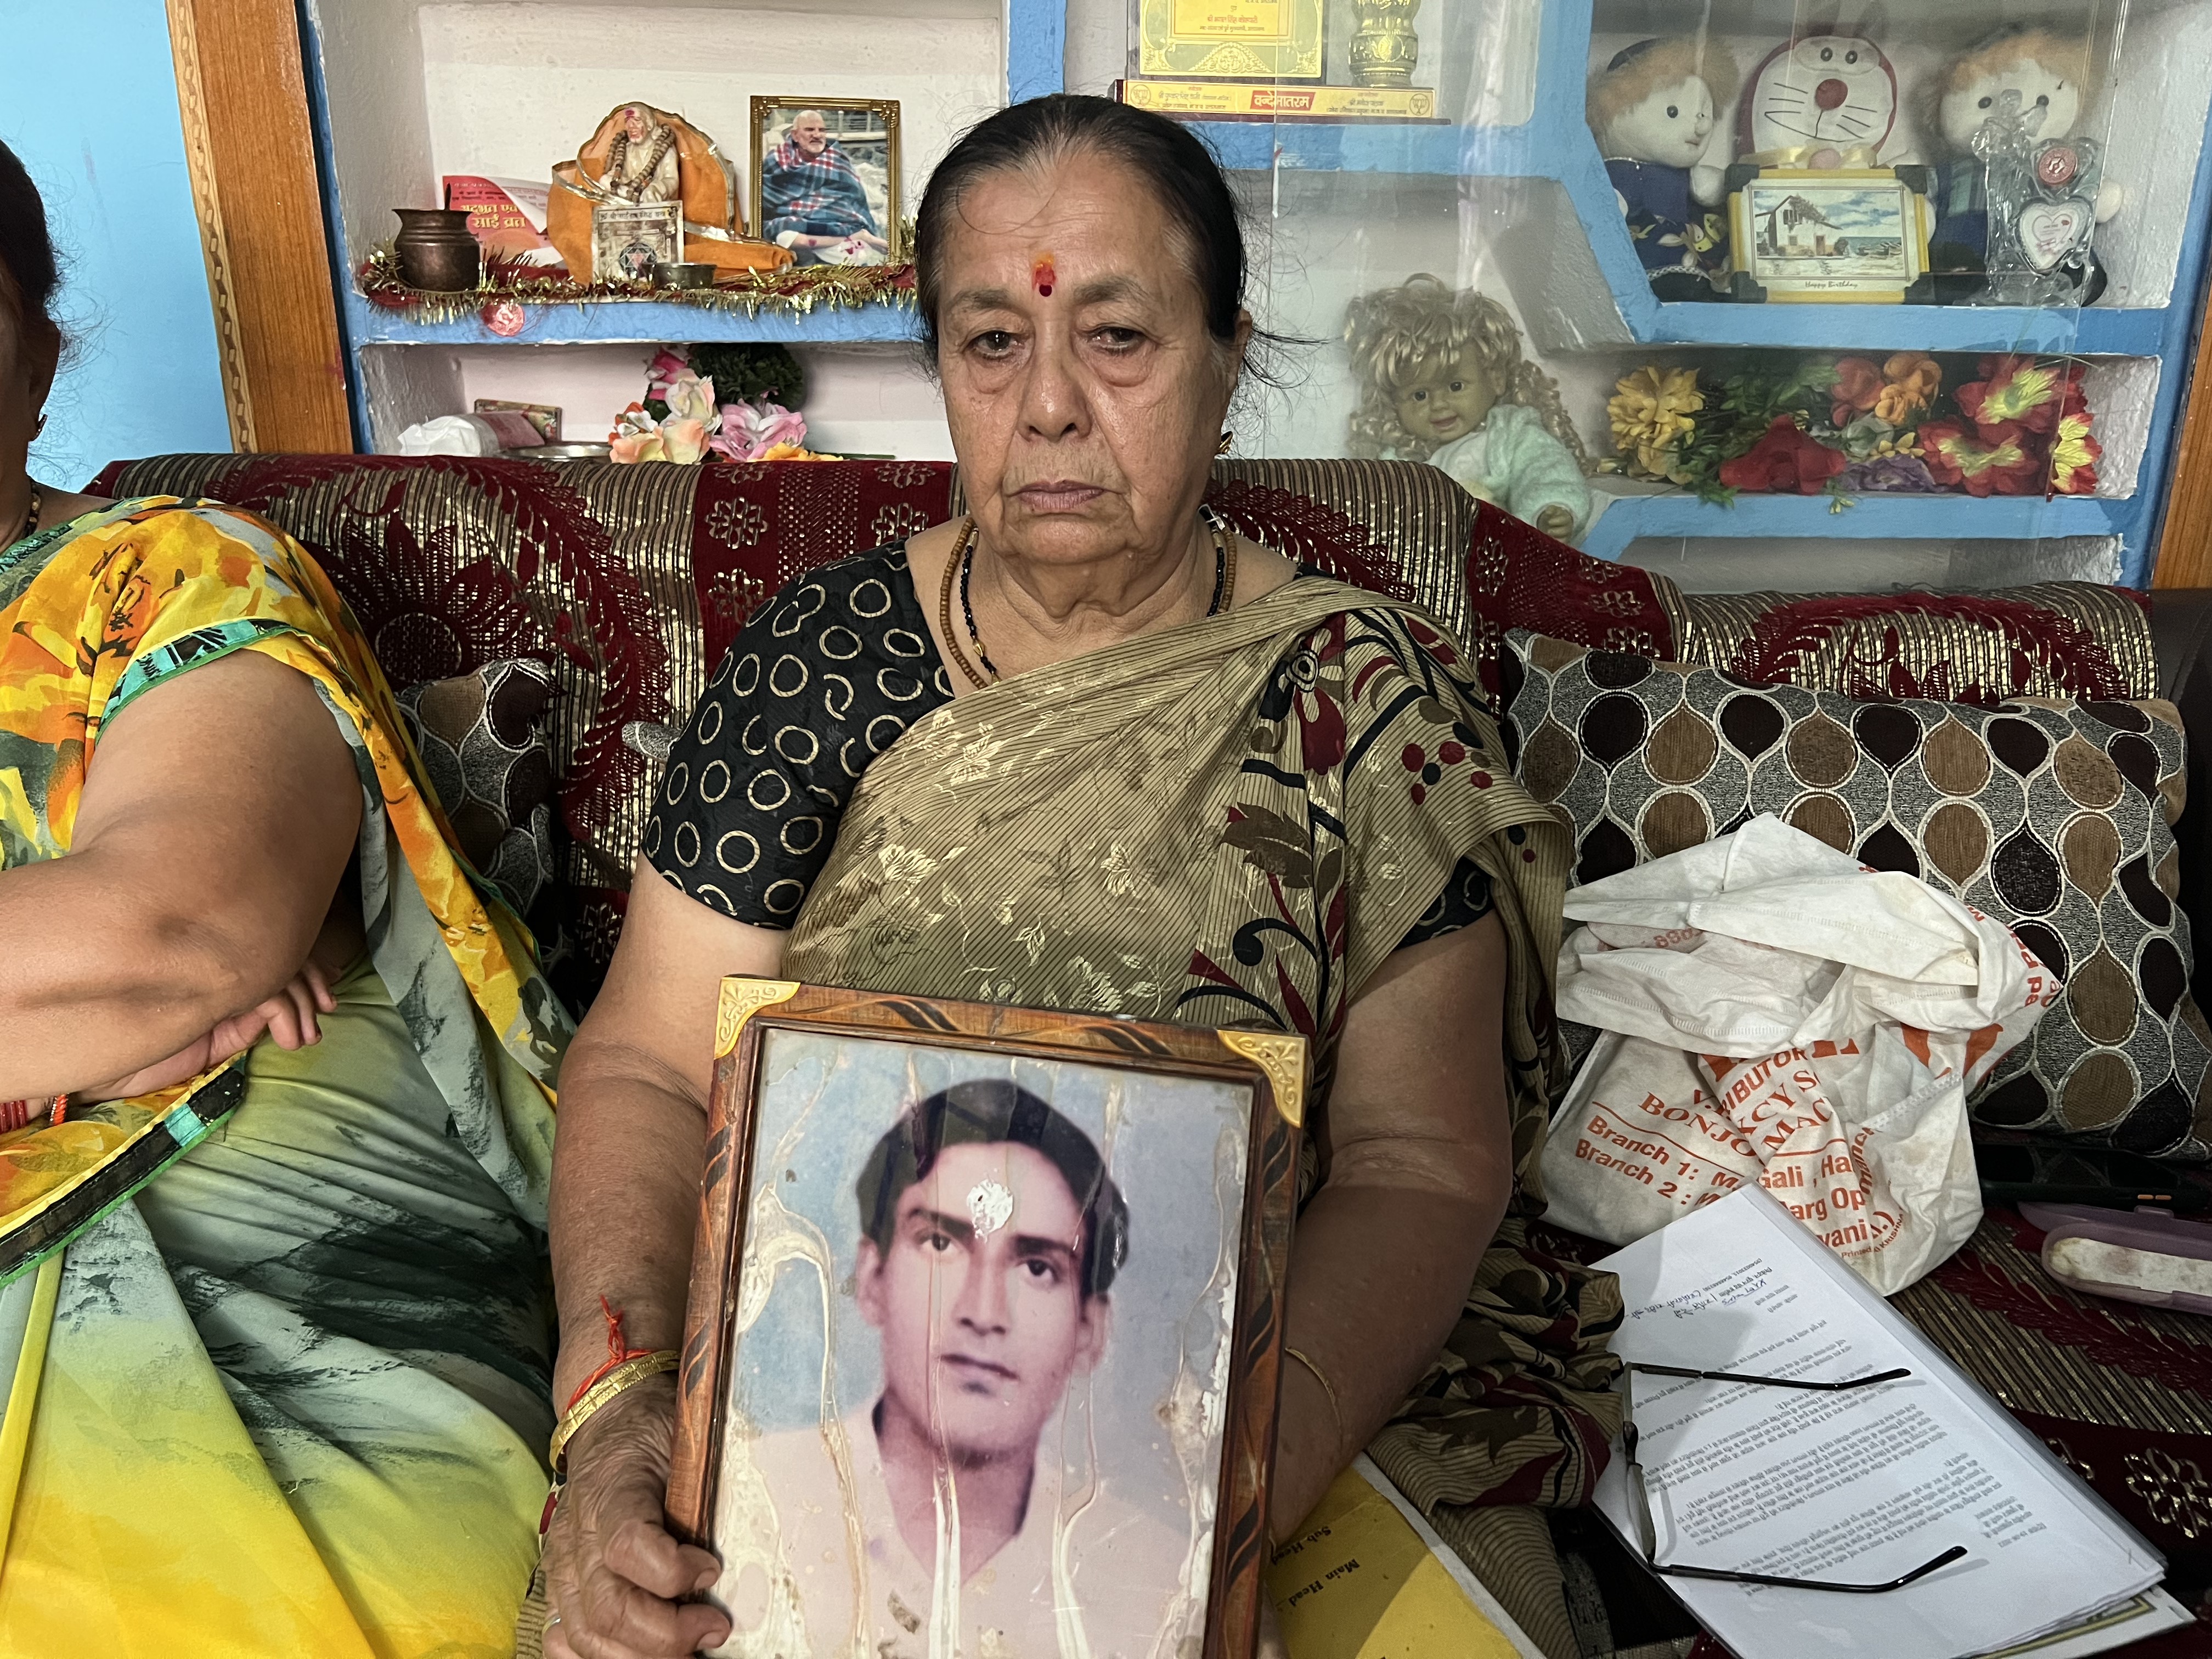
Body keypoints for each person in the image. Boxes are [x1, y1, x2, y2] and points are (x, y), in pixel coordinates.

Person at [540, 93, 1623, 1659]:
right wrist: (626, 1411)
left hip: (1268, 1383)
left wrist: (1218, 1496)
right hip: (826, 1401)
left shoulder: (1361, 699)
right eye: (991, 344)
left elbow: (1415, 1165)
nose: (1048, 406)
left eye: (1117, 339)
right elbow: (648, 1058)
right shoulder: (822, 663)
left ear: (1231, 358)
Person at [0, 139, 565, 1655]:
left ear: (34, 357)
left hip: (265, 1206)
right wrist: (64, 1032)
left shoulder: (173, 575)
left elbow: (179, 934)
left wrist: (115, 998)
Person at [736, 1079, 1186, 1655]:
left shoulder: (1163, 1582)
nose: (983, 1312)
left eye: (1037, 1269)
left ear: (1089, 1332)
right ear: (872, 1280)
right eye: (942, 1245)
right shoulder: (747, 1501)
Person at [759, 108, 891, 265]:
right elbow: (765, 204)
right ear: (795, 135)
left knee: (855, 254)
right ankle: (859, 237)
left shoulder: (837, 160)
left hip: (838, 226)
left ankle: (858, 238)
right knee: (785, 237)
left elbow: (853, 201)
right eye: (810, 130)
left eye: (821, 130)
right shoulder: (777, 161)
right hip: (796, 226)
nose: (817, 135)